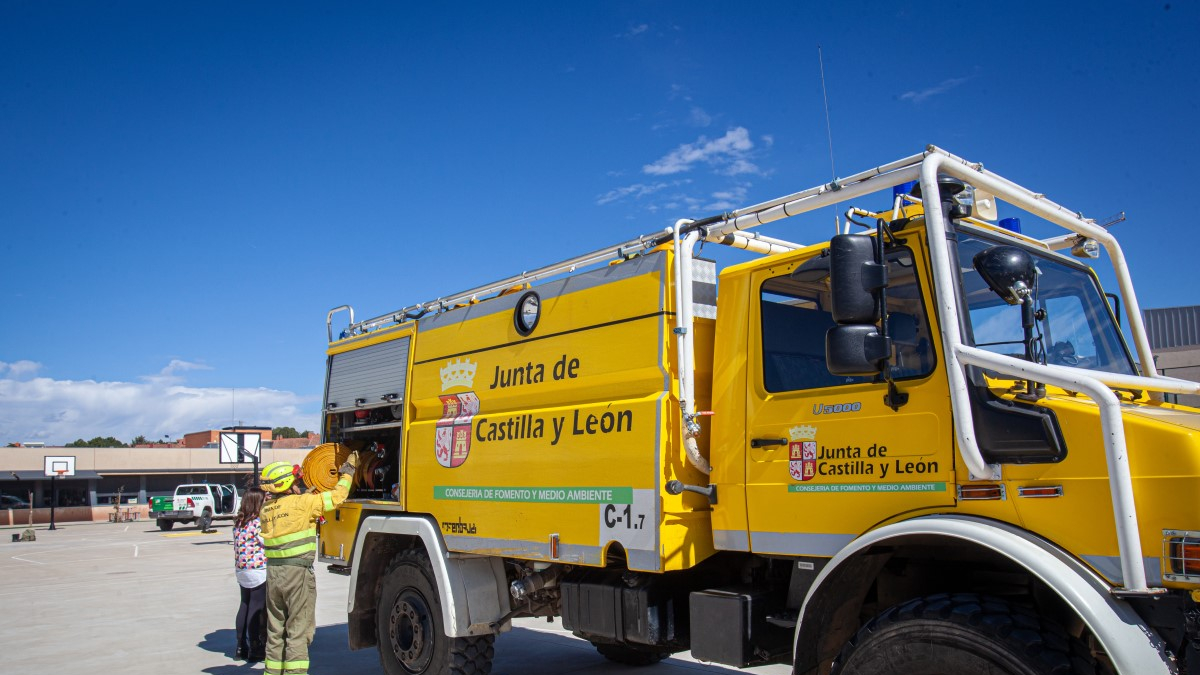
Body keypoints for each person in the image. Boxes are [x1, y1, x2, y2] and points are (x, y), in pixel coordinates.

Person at [258, 455, 356, 675]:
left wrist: (304, 497)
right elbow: (339, 496)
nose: (298, 484)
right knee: (298, 630)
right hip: (297, 574)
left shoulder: (266, 510)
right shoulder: (305, 503)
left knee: (275, 630)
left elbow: (287, 511)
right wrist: (348, 470)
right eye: (295, 482)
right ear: (286, 484)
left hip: (273, 574)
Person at [232, 488, 267, 661]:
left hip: (242, 570)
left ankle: (240, 646)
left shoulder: (239, 522)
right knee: (256, 608)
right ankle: (255, 645)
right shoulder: (257, 523)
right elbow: (267, 541)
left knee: (244, 605)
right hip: (258, 571)